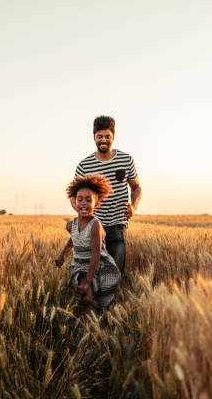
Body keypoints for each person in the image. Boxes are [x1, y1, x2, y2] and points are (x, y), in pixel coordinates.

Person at [73, 115, 142, 276]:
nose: (103, 140)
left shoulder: (126, 160)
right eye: (99, 136)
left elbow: (136, 187)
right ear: (94, 137)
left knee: (114, 273)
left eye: (107, 136)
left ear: (113, 136)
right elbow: (73, 196)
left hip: (118, 225)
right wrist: (83, 215)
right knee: (93, 274)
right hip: (93, 228)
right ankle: (95, 301)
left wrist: (134, 206)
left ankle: (110, 301)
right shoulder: (84, 165)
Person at [55, 174, 121, 309]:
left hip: (97, 264)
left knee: (89, 296)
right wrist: (62, 254)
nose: (84, 203)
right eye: (80, 199)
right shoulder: (71, 225)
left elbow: (96, 254)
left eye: (88, 200)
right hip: (80, 264)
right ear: (74, 202)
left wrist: (88, 280)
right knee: (83, 297)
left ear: (96, 203)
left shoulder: (95, 225)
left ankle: (91, 325)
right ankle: (86, 322)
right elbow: (73, 239)